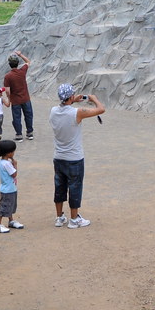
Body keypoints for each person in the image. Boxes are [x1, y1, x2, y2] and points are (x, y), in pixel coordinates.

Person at [49, 84, 105, 229]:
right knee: (75, 187)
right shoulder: (77, 113)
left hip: (58, 156)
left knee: (59, 187)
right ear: (71, 97)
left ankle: (59, 217)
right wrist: (94, 99)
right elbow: (101, 109)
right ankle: (74, 219)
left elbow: (64, 106)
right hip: (74, 158)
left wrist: (72, 100)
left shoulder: (54, 111)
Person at [0, 139, 25, 233]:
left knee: (10, 205)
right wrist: (15, 165)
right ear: (8, 153)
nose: (13, 153)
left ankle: (11, 220)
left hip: (9, 188)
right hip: (8, 190)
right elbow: (14, 174)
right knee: (4, 206)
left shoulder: (2, 162)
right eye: (12, 151)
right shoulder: (7, 164)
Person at [3, 51, 35, 141]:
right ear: (17, 63)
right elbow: (28, 62)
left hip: (15, 100)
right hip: (26, 98)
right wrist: (20, 54)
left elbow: (7, 91)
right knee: (28, 115)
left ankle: (19, 134)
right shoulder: (22, 71)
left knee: (17, 117)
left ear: (9, 64)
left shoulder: (7, 76)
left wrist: (9, 98)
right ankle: (29, 133)